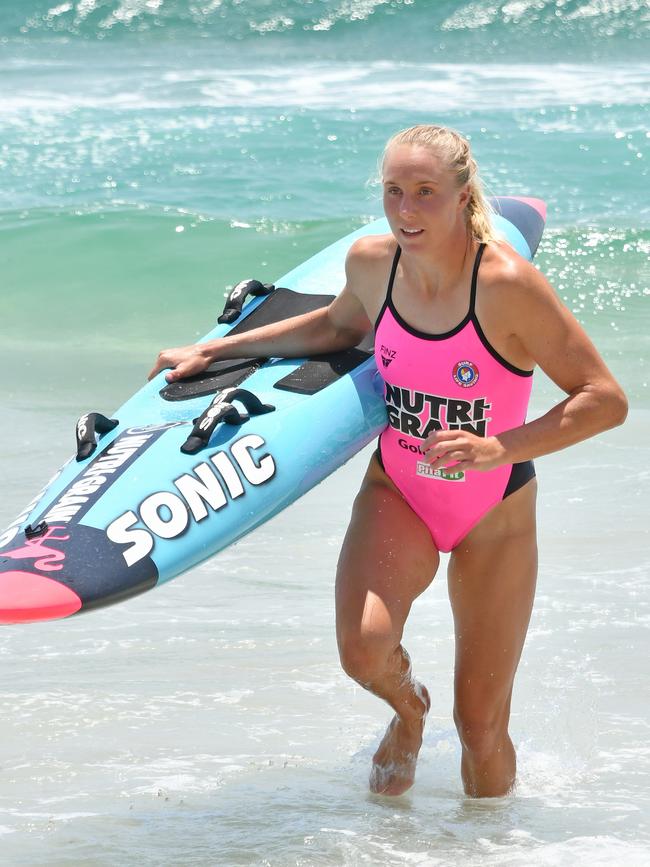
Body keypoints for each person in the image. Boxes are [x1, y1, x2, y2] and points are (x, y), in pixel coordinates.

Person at [148, 125, 627, 799]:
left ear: (463, 196)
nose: (405, 210)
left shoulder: (508, 286)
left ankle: (488, 849)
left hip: (494, 506)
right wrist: (218, 350)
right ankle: (409, 709)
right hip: (400, 486)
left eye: (425, 193)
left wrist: (501, 447)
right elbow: (337, 328)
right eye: (393, 192)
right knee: (364, 650)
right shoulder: (375, 262)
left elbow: (604, 399)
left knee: (481, 729)